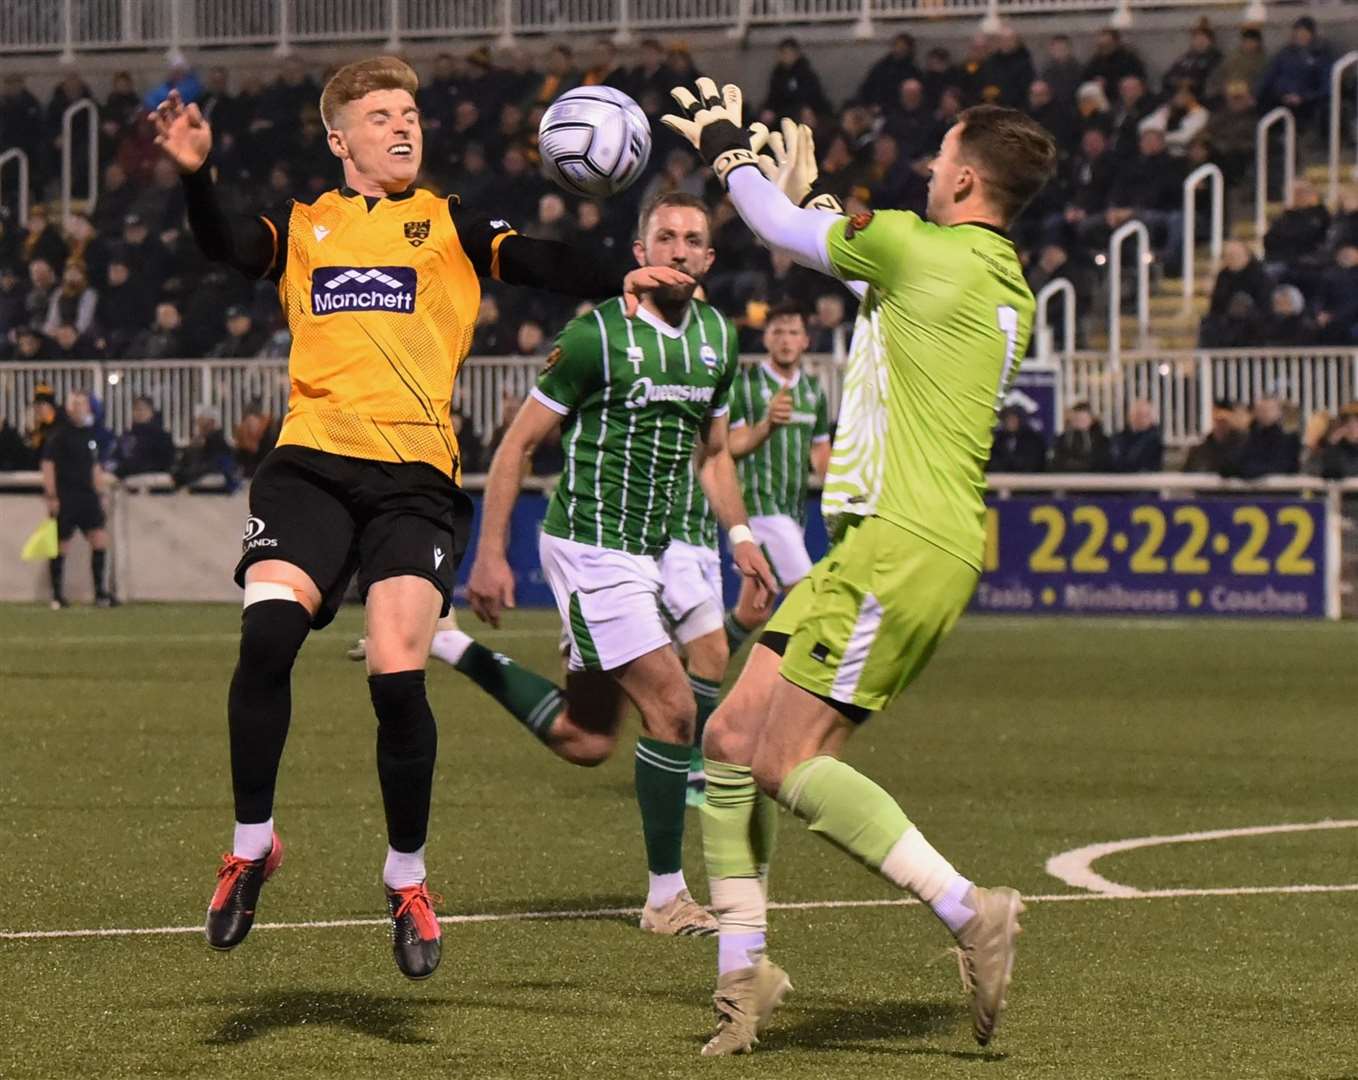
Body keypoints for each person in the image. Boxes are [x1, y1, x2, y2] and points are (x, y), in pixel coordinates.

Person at [151, 54, 690, 979]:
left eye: (412, 113)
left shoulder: (446, 220)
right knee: (266, 643)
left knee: (398, 680)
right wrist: (197, 176)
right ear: (340, 138)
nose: (405, 127)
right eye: (383, 116)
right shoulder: (305, 224)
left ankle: (406, 877)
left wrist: (623, 274)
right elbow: (227, 247)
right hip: (311, 465)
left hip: (413, 478)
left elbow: (534, 260)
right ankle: (251, 847)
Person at [661, 82, 1054, 1052]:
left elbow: (766, 223)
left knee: (787, 759)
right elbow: (869, 270)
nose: (923, 169)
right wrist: (817, 215)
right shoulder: (991, 279)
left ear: (962, 177)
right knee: (729, 740)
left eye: (936, 159)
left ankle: (969, 910)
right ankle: (741, 977)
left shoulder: (924, 251)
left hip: (901, 543)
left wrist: (728, 150)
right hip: (886, 545)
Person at [438, 191, 776, 937]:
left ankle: (447, 642)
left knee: (587, 740)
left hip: (650, 552)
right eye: (666, 236)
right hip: (591, 546)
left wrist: (743, 537)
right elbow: (517, 447)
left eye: (693, 239)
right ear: (641, 251)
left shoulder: (719, 338)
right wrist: (490, 554)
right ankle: (665, 896)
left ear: (710, 259)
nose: (680, 249)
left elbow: (715, 456)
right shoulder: (596, 335)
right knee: (676, 707)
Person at [721, 302, 831, 650]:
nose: (786, 339)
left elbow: (820, 451)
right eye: (778, 331)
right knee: (805, 597)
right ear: (766, 338)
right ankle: (786, 690)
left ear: (805, 341)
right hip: (757, 505)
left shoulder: (813, 390)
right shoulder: (746, 385)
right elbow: (730, 447)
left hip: (792, 508)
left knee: (753, 611)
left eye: (793, 332)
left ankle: (701, 664)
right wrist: (766, 425)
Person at [36, 388, 115, 609]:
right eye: (75, 403)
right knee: (62, 545)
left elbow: (94, 467)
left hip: (87, 496)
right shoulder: (59, 436)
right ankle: (57, 595)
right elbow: (48, 465)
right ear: (69, 408)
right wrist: (51, 495)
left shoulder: (90, 436)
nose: (80, 408)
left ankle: (100, 593)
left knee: (99, 539)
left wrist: (100, 493)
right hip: (66, 496)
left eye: (83, 404)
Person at [1237, 396, 1300, 477]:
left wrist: (1249, 471)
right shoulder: (1251, 437)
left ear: (1279, 413)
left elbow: (1281, 467)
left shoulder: (1289, 439)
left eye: (1269, 409)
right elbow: (1240, 462)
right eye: (1260, 410)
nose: (1264, 413)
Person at [113, 395, 176, 477]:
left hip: (152, 478)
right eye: (136, 409)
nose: (140, 413)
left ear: (151, 412)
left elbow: (165, 462)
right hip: (125, 476)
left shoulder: (161, 436)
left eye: (144, 409)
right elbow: (117, 457)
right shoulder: (128, 436)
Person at [1184, 399, 1247, 474]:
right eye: (1216, 420)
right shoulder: (1199, 452)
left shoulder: (1247, 449)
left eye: (1224, 421)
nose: (1220, 425)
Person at [1051, 401, 1112, 471]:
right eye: (1077, 419)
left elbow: (1103, 462)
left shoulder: (1102, 440)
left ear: (1091, 419)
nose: (1080, 422)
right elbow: (1057, 461)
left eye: (1083, 419)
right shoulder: (1062, 439)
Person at [1109, 398, 1163, 472]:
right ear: (1130, 416)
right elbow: (1112, 461)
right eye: (1138, 414)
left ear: (1151, 418)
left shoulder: (1154, 439)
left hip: (1142, 480)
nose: (1140, 419)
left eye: (1145, 415)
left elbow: (1134, 461)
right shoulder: (1119, 437)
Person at [989, 404, 1047, 472]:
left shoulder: (1033, 440)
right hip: (1000, 479)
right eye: (1007, 418)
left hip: (1028, 479)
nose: (1010, 422)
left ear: (1021, 419)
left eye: (1013, 418)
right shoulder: (998, 439)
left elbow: (1034, 464)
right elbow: (992, 462)